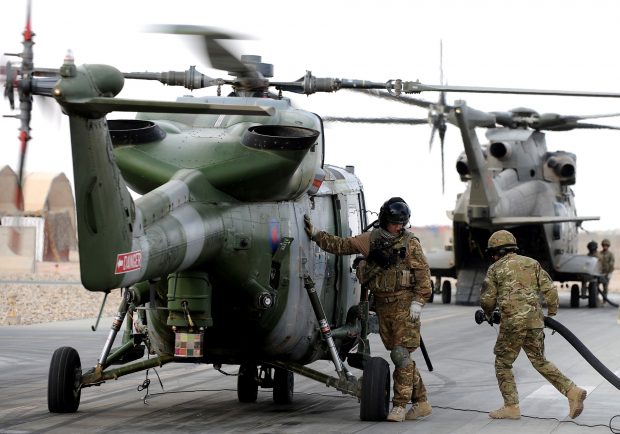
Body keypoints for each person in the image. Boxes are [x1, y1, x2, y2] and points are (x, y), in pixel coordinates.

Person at [304, 197, 432, 422]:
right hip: (383, 305)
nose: (399, 227)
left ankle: (399, 406)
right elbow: (342, 245)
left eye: (403, 223)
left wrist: (418, 302)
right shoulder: (370, 240)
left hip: (405, 304)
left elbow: (423, 277)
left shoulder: (411, 243)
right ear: (385, 221)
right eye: (395, 223)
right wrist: (316, 235)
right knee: (401, 357)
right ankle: (421, 402)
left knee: (400, 354)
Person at [480, 230, 587, 420]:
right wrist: (551, 312)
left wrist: (488, 314)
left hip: (512, 323)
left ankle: (511, 407)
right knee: (540, 361)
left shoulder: (495, 268)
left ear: (496, 251)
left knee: (503, 362)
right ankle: (572, 391)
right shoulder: (532, 263)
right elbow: (550, 290)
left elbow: (487, 300)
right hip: (535, 322)